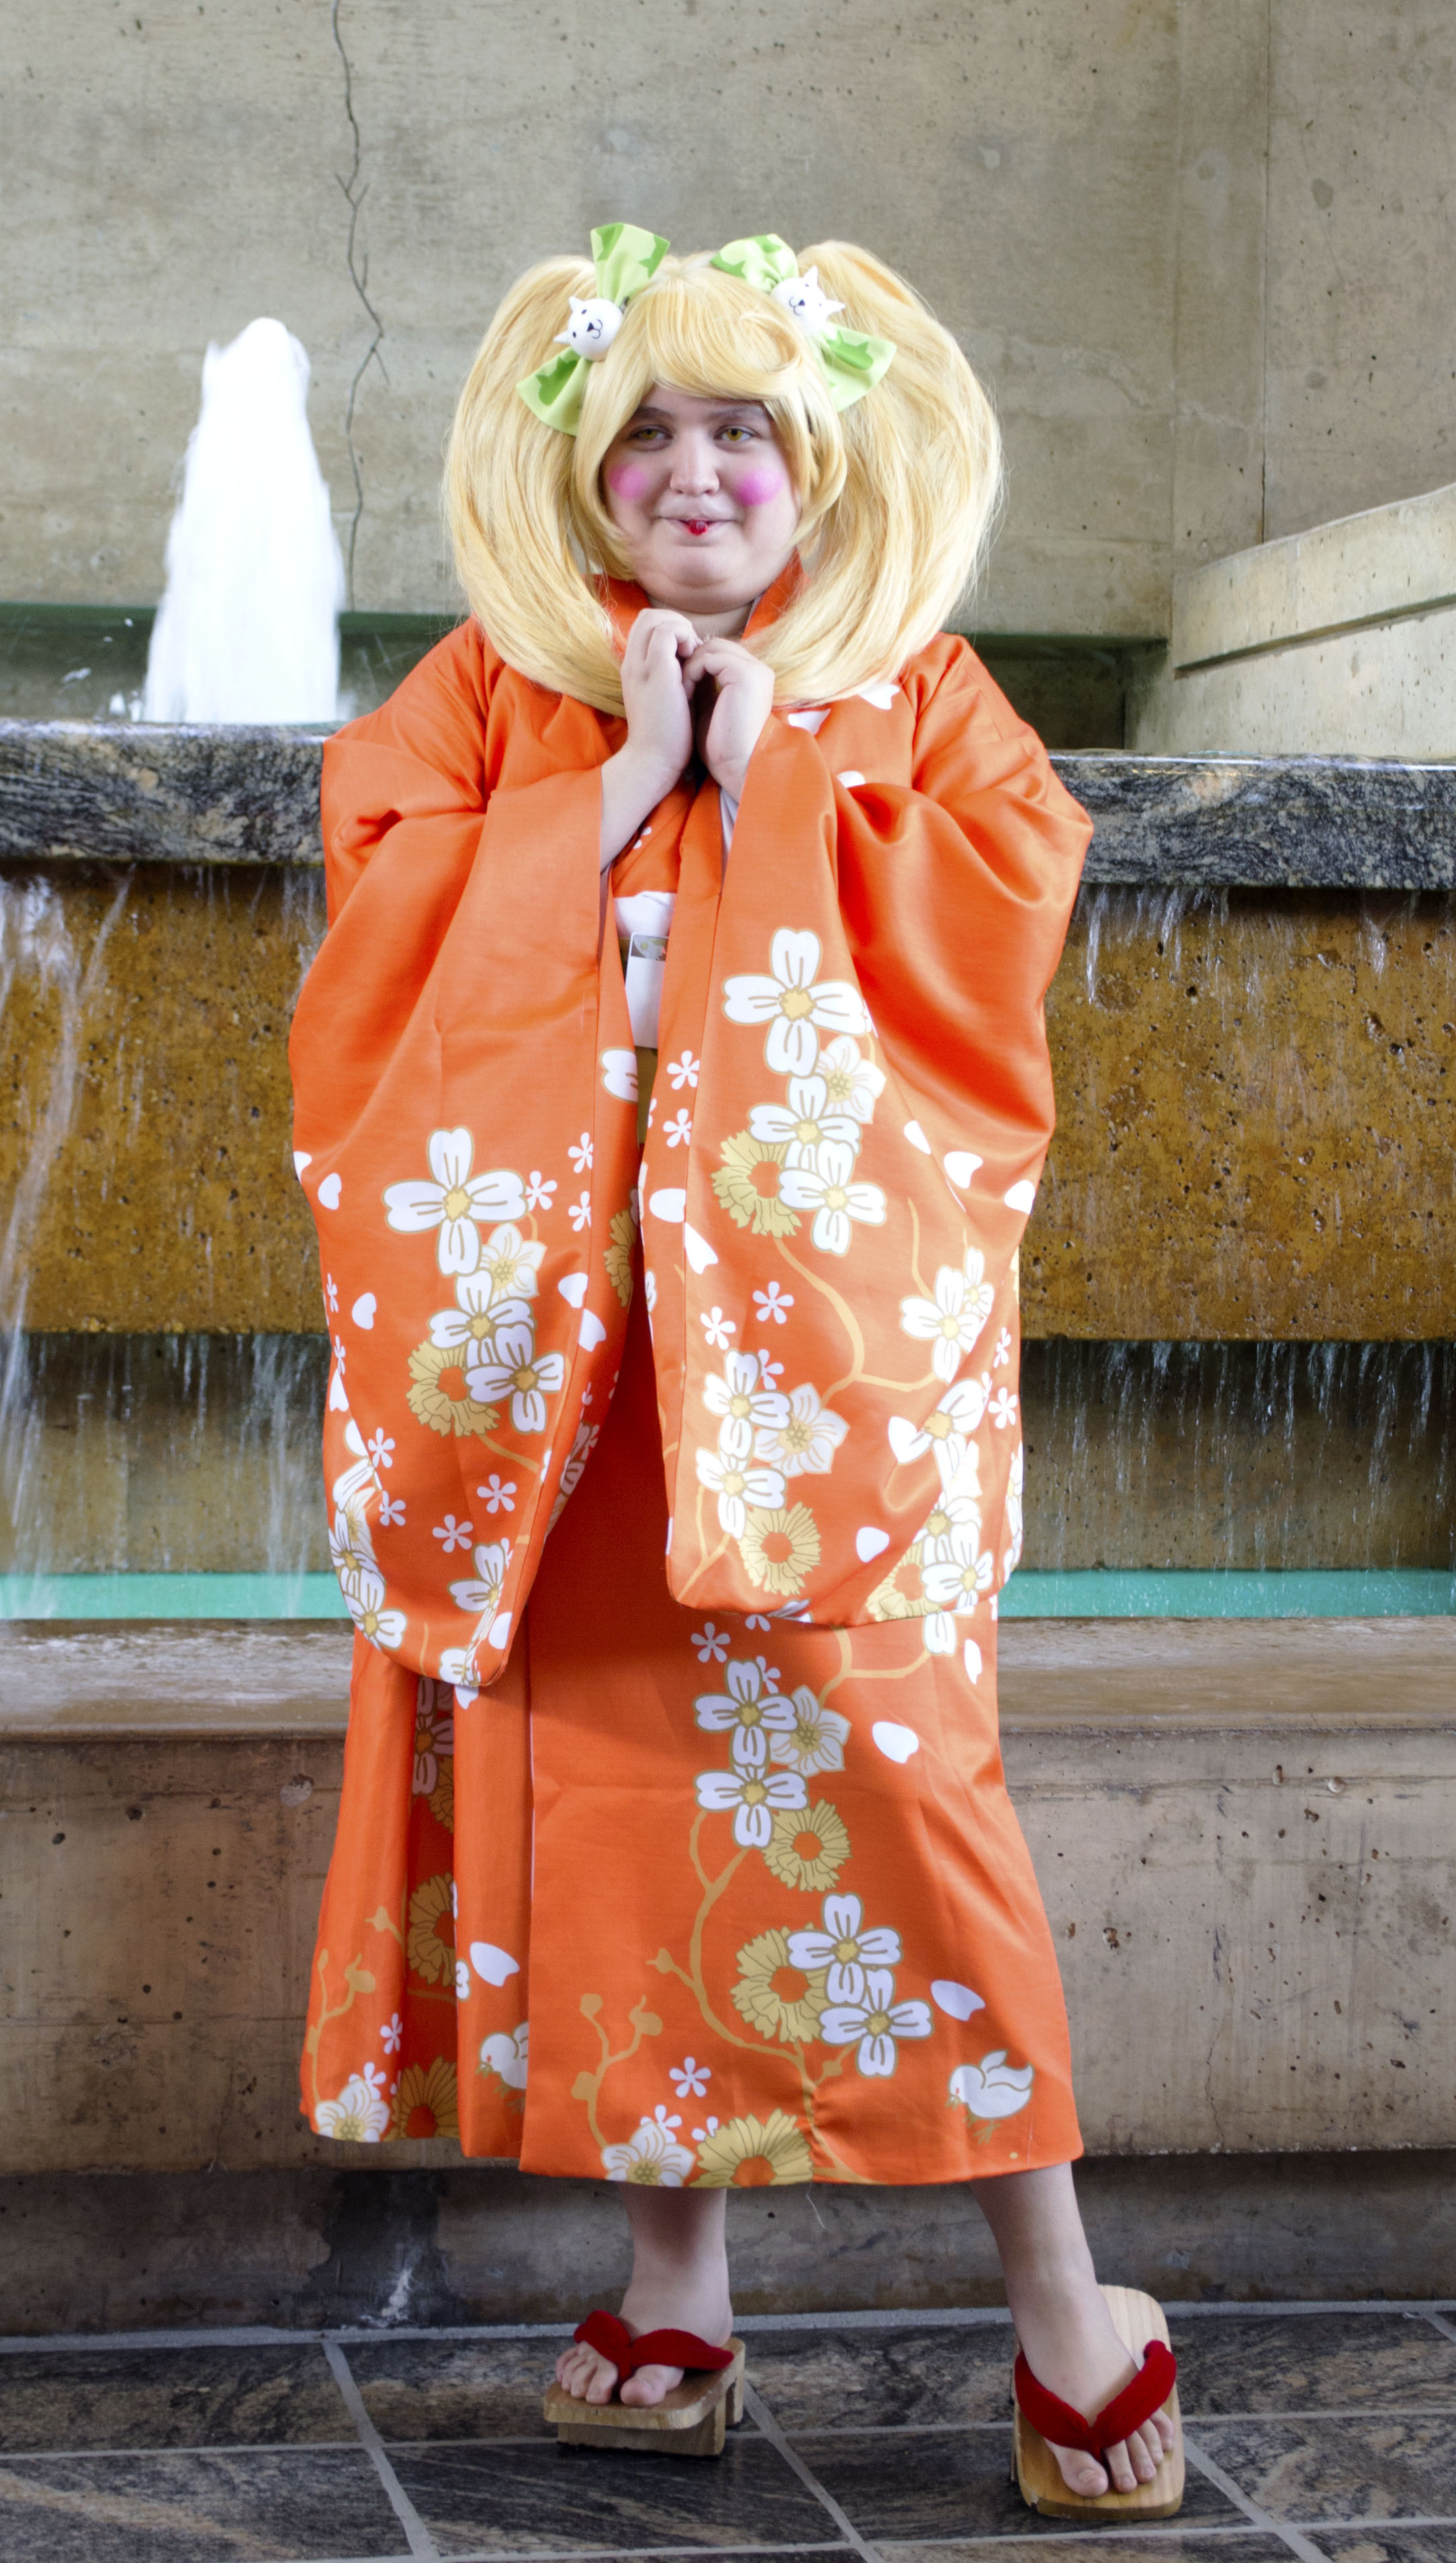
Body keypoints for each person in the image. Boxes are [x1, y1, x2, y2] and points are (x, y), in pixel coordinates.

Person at [289, 226, 1175, 2502]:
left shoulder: (920, 689)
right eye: (650, 433)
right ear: (582, 475)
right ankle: (676, 2291)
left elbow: (1000, 927)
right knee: (617, 1805)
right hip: (568, 1390)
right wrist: (619, 782)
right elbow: (374, 924)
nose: (696, 472)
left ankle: (1067, 2306)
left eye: (745, 430)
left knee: (908, 1790)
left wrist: (777, 779)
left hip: (811, 1381)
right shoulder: (494, 690)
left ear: (825, 463)